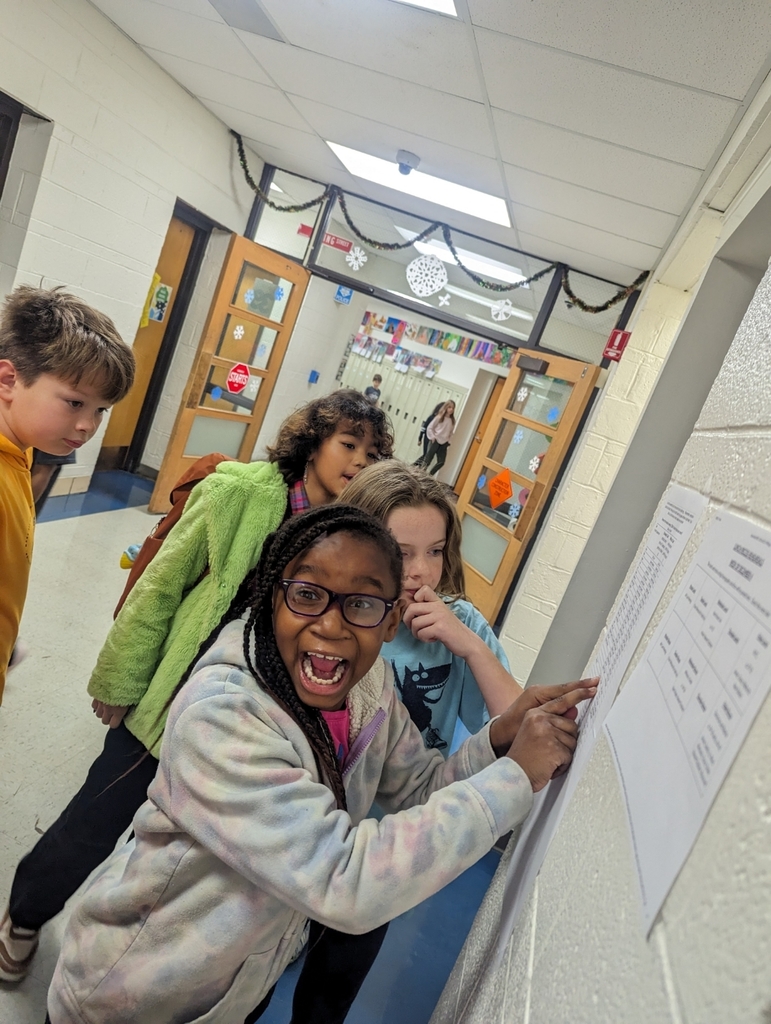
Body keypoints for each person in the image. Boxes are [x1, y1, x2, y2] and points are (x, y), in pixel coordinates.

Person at [45, 505, 596, 1024]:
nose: (332, 626)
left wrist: (502, 738)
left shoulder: (369, 689)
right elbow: (342, 879)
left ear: (389, 621)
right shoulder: (224, 714)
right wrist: (516, 776)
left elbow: (421, 786)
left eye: (361, 602)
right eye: (308, 595)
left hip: (232, 987)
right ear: (271, 599)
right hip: (129, 995)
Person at [0, 389, 393, 984]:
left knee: (176, 863)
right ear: (313, 442)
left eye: (371, 453)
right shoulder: (240, 492)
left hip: (250, 728)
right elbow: (160, 589)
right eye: (348, 444)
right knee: (96, 819)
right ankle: (24, 917)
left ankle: (120, 969)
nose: (358, 462)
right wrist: (122, 681)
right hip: (171, 707)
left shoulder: (346, 536)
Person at [0, 285, 135, 705]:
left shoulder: (19, 452)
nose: (87, 425)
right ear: (9, 379)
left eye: (99, 410)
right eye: (74, 403)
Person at [343, 461, 520, 754]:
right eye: (401, 553)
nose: (422, 571)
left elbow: (522, 735)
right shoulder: (329, 620)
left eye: (435, 551)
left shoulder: (461, 622)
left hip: (423, 798)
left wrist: (471, 648)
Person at [420, 399, 455, 476]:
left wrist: (449, 441)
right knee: (428, 459)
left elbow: (451, 432)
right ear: (446, 408)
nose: (451, 409)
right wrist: (432, 437)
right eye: (449, 407)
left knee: (441, 462)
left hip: (444, 443)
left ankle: (429, 475)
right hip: (435, 441)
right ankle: (420, 475)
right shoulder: (439, 417)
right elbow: (430, 427)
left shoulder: (452, 420)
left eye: (453, 408)